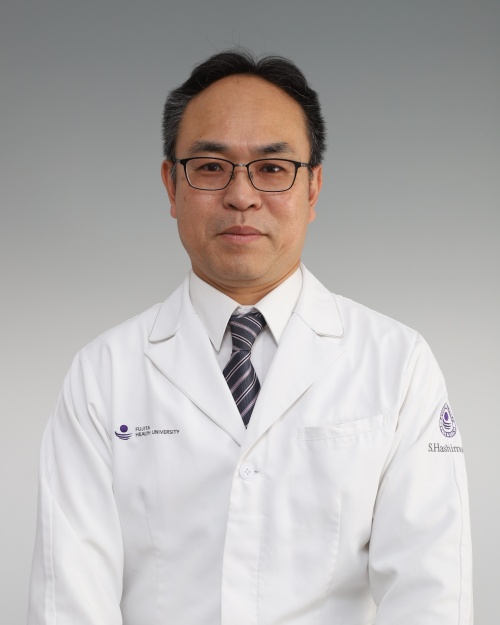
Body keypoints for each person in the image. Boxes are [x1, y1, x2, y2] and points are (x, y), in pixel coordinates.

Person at [28, 49, 473, 624]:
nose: (241, 195)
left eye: (272, 168)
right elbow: (68, 602)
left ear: (312, 189)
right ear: (171, 186)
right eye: (211, 167)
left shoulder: (397, 364)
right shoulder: (103, 374)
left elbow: (431, 593)